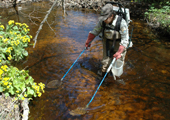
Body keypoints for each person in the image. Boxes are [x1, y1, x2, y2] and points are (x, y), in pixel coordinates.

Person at [85, 3, 132, 77]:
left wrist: (119, 52)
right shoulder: (102, 22)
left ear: (111, 16)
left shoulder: (121, 23)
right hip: (107, 42)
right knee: (105, 62)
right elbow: (95, 31)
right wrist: (88, 41)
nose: (104, 20)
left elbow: (125, 39)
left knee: (117, 62)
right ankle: (104, 74)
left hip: (119, 44)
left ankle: (115, 76)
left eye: (105, 18)